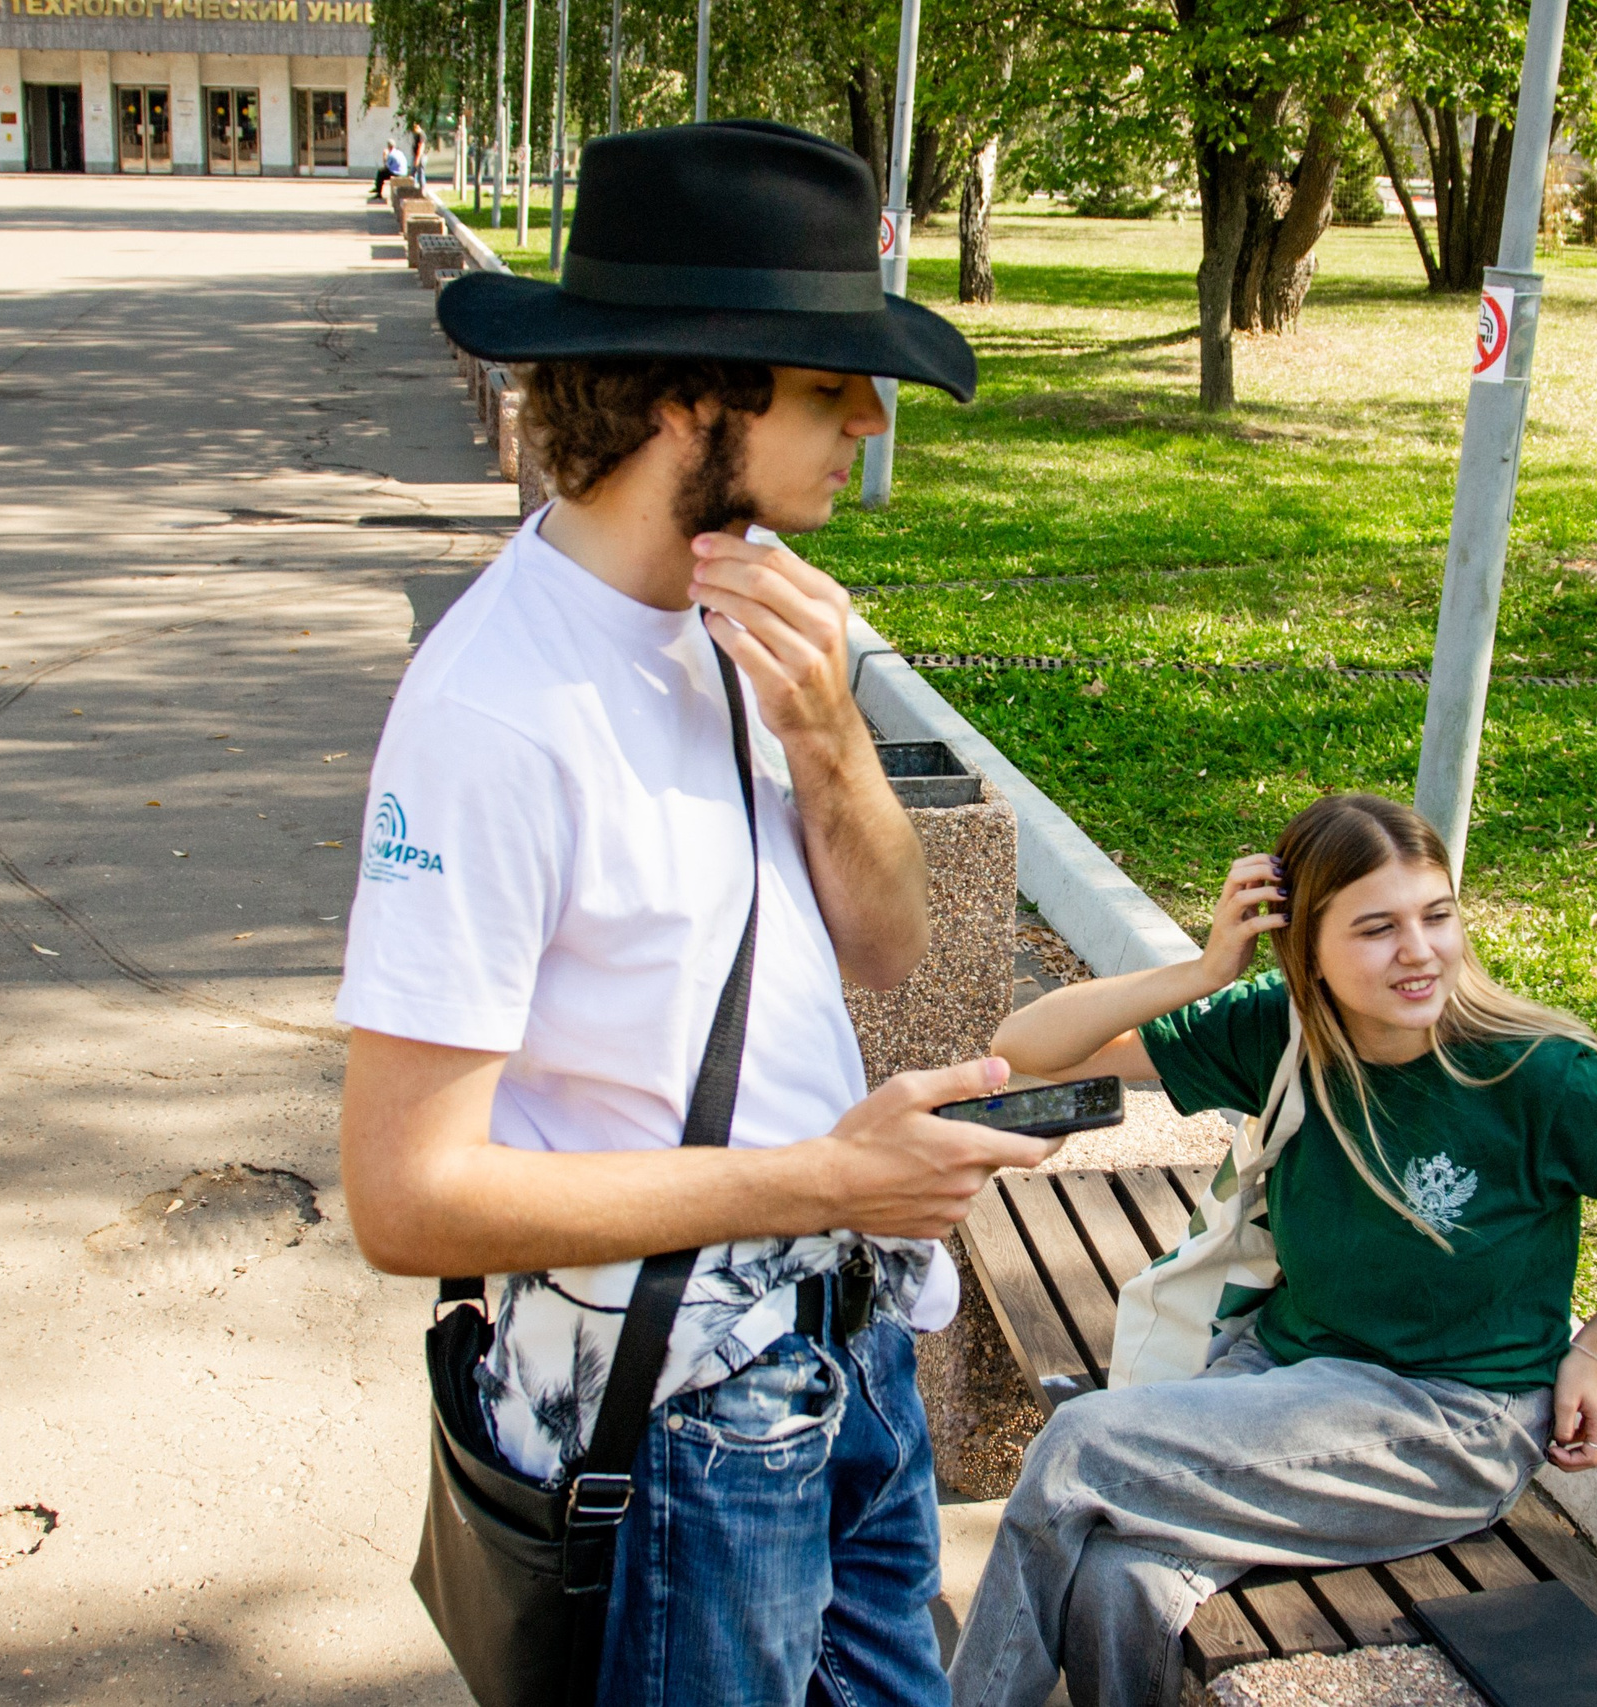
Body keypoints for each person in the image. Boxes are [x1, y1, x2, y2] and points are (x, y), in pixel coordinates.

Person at [336, 122, 1036, 1707]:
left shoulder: (750, 609)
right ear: (684, 395)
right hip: (678, 1427)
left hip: (844, 1359)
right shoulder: (499, 712)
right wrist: (832, 1173)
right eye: (826, 382)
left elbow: (888, 952)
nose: (870, 418)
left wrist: (831, 737)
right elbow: (406, 1195)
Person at [947, 792, 1597, 1707]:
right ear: (1306, 945)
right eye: (1377, 927)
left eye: (1437, 915)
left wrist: (1591, 1346)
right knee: (1118, 1579)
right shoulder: (1282, 1030)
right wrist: (1205, 967)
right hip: (1285, 1377)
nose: (1419, 951)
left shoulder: (1531, 1073)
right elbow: (1028, 1046)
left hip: (1451, 1424)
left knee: (1077, 1446)